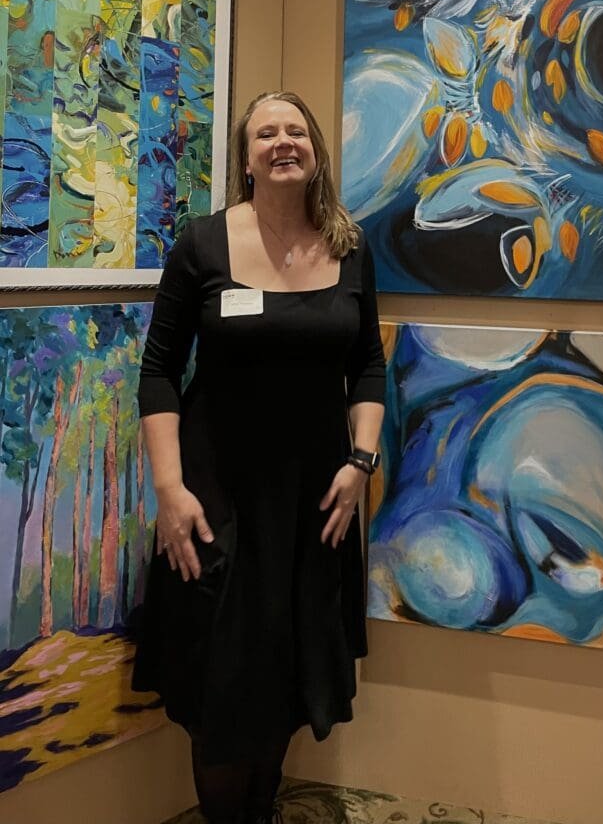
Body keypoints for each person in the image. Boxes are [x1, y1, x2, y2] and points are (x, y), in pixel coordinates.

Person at [131, 91, 386, 824]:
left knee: (285, 677)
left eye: (296, 131)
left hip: (314, 502)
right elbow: (158, 373)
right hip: (215, 498)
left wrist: (360, 464)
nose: (283, 142)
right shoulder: (202, 245)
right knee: (219, 686)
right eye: (266, 133)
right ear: (245, 158)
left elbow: (368, 366)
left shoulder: (349, 246)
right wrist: (170, 489)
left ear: (315, 153)